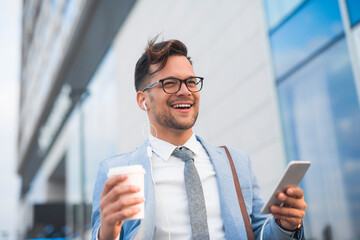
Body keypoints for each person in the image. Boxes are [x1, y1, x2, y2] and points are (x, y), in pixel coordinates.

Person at [91, 38, 307, 240]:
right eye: (170, 83)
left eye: (191, 82)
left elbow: (259, 232)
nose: (185, 91)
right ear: (143, 99)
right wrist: (107, 235)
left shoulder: (238, 163)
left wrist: (285, 225)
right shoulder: (117, 171)